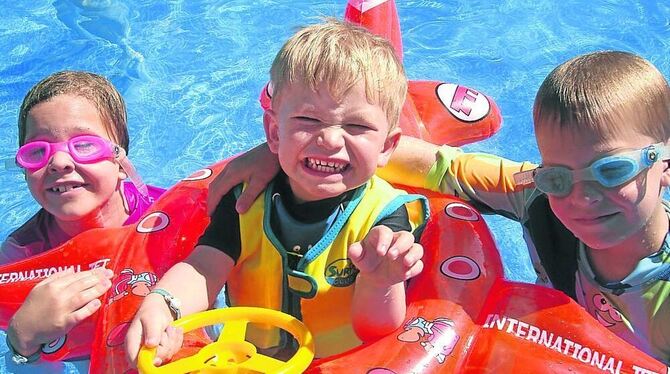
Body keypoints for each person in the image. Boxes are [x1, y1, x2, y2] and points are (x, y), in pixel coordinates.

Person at [206, 51, 670, 363]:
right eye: (558, 176)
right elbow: (441, 166)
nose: (581, 197)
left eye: (612, 171)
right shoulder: (536, 195)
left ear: (664, 164)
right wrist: (280, 153)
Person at [125, 18, 427, 365]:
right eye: (308, 121)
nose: (329, 139)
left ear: (387, 147)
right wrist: (164, 303)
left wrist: (380, 282)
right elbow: (205, 266)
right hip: (250, 359)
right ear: (274, 132)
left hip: (342, 364)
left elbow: (375, 330)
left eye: (356, 126)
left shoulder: (387, 219)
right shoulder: (246, 199)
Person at [1, 70, 164, 367]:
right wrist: (23, 340)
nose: (60, 162)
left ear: (120, 163)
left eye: (85, 145)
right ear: (24, 170)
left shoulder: (168, 215)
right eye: (37, 151)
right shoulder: (20, 259)